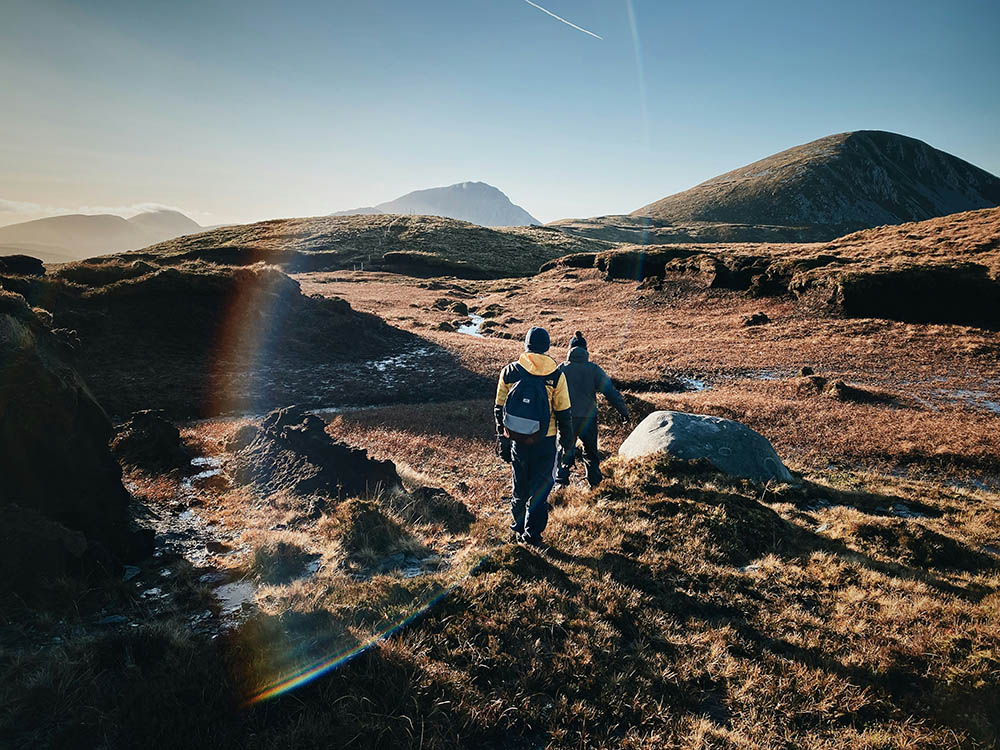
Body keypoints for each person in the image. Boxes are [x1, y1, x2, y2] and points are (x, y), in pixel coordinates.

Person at [495, 326, 574, 548]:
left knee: (519, 486)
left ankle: (517, 526)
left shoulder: (510, 372)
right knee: (541, 489)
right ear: (546, 347)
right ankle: (532, 536)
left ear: (527, 345)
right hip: (545, 441)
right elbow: (564, 414)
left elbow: (499, 409)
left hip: (517, 441)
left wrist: (503, 440)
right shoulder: (557, 375)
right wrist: (568, 446)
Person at [556, 330, 629, 489]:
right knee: (590, 452)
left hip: (566, 417)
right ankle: (594, 485)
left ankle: (561, 484)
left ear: (569, 350)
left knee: (564, 450)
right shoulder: (594, 369)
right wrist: (623, 412)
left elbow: (550, 393)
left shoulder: (561, 368)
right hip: (588, 418)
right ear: (586, 351)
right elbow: (610, 392)